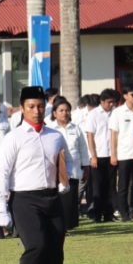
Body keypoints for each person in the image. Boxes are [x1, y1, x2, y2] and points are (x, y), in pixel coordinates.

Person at [0, 87, 70, 264]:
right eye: (31, 107)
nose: (37, 111)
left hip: (52, 198)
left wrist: (65, 181)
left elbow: (66, 162)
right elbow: (2, 173)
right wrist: (1, 208)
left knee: (55, 252)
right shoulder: (14, 137)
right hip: (25, 199)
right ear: (22, 108)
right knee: (36, 247)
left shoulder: (55, 136)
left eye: (40, 106)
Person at [51, 97, 89, 232]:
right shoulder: (50, 129)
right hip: (55, 172)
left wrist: (86, 167)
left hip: (73, 170)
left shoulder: (76, 129)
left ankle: (68, 226)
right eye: (61, 110)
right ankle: (58, 227)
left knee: (70, 201)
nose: (64, 113)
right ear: (54, 113)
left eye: (67, 110)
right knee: (58, 201)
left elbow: (83, 150)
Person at [83, 89, 118, 223]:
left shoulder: (115, 113)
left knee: (110, 186)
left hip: (112, 154)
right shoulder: (94, 114)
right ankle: (96, 214)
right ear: (102, 101)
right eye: (109, 102)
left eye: (113, 102)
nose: (111, 105)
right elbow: (90, 136)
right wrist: (93, 156)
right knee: (98, 186)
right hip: (99, 154)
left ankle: (109, 214)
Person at [110, 86, 133, 222]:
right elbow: (114, 135)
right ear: (125, 96)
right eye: (132, 94)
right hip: (123, 154)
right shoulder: (117, 112)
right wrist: (113, 154)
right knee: (123, 186)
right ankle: (124, 213)